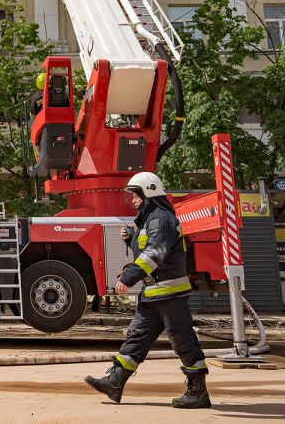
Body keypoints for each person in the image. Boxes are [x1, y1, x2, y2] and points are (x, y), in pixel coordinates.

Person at [84, 171, 210, 409]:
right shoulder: (152, 220)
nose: (133, 201)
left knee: (183, 341)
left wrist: (129, 277)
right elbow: (148, 246)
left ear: (147, 194)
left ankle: (198, 392)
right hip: (154, 295)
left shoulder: (160, 219)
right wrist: (130, 238)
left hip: (169, 293)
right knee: (137, 337)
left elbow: (155, 253)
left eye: (135, 196)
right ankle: (115, 381)